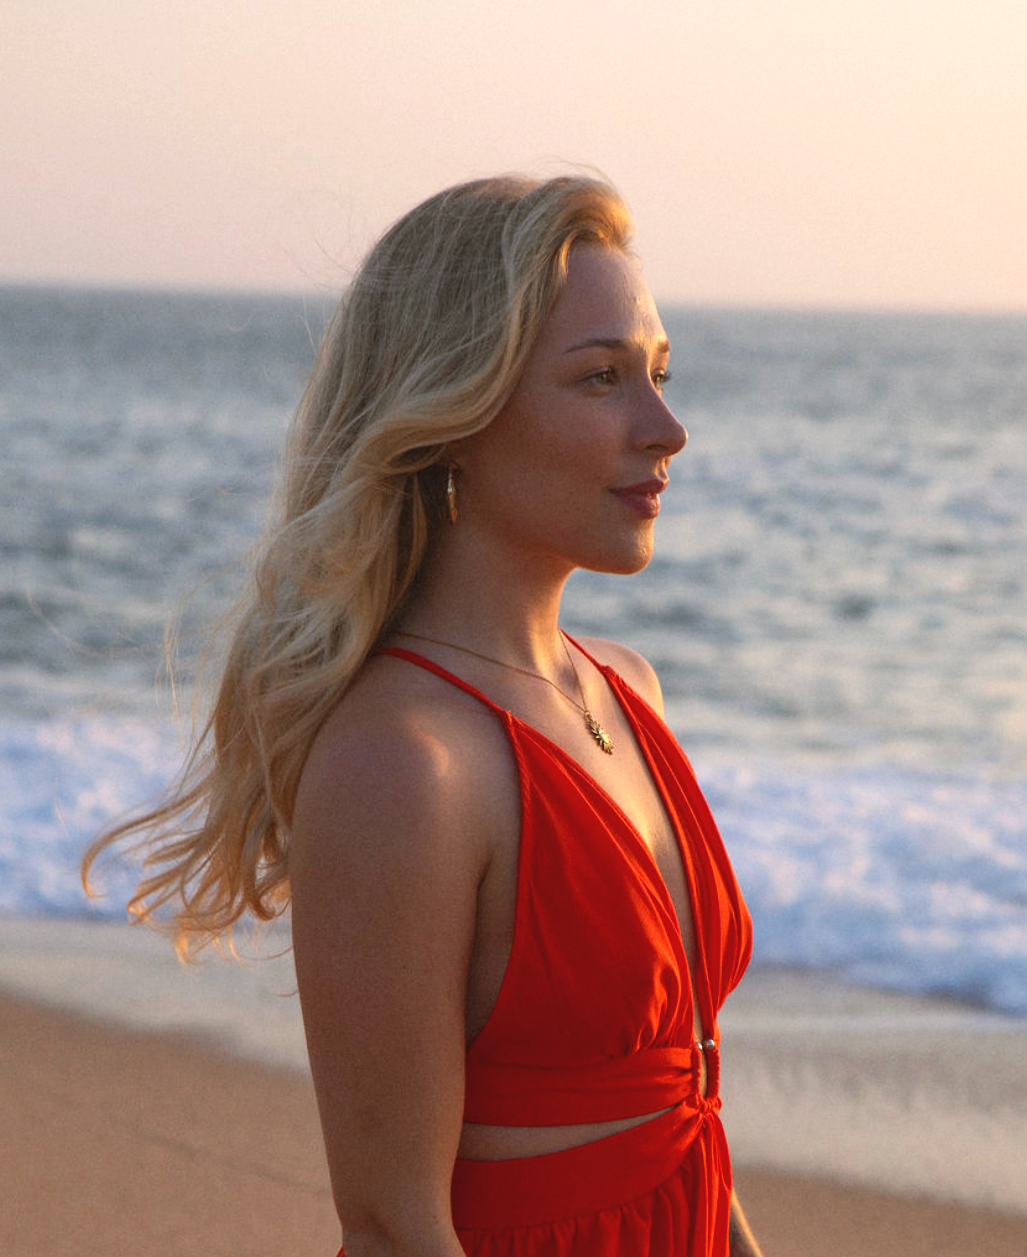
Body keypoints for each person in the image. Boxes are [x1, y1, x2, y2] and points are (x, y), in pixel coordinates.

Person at [85, 174, 762, 1256]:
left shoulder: (627, 690)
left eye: (660, 374)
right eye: (601, 377)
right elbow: (394, 1227)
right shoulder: (404, 765)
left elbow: (685, 1124)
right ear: (452, 415)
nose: (666, 428)